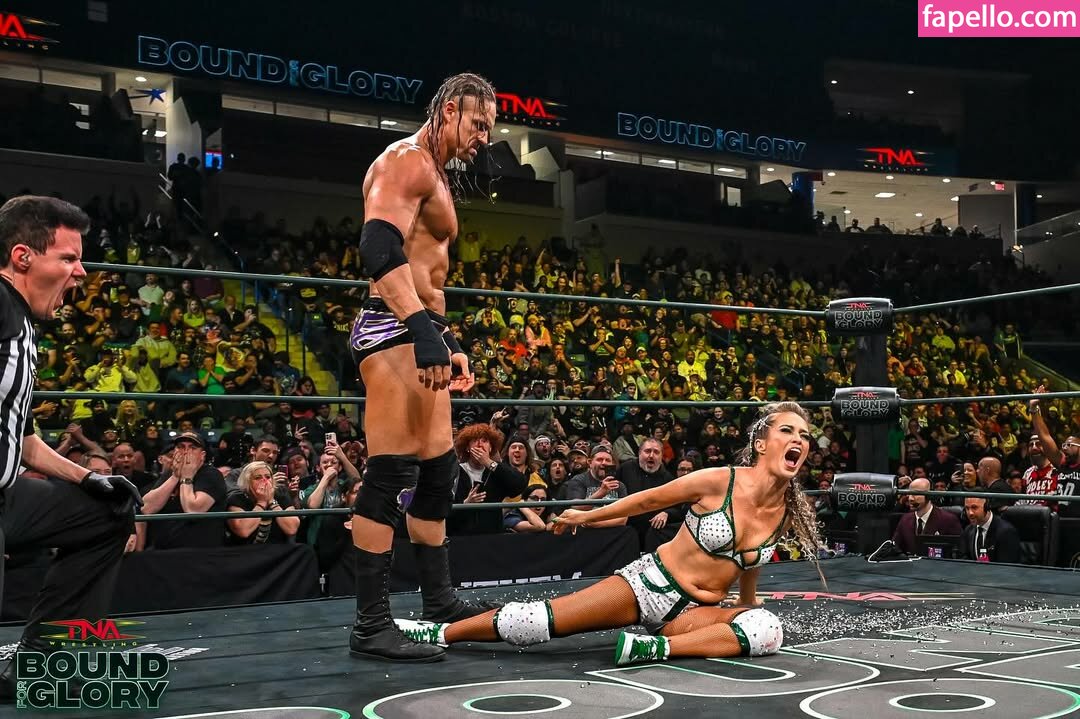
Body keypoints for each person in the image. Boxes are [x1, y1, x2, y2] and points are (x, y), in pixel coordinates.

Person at [396, 402, 821, 667]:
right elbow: (643, 501)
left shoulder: (787, 511)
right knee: (539, 621)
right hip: (651, 586)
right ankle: (440, 633)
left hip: (695, 613)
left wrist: (746, 603)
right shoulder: (718, 480)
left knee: (766, 630)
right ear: (761, 444)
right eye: (787, 431)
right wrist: (585, 516)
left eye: (804, 435)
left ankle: (651, 649)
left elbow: (749, 562)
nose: (798, 439)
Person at [347, 72, 498, 662]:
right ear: (450, 109)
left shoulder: (435, 172)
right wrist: (419, 329)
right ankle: (370, 625)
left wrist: (446, 336)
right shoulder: (405, 161)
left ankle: (438, 601)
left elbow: (426, 271)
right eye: (478, 124)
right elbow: (378, 248)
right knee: (390, 474)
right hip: (393, 328)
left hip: (420, 328)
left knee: (438, 473)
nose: (484, 138)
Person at [0, 196, 143, 702]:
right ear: (23, 257)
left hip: (8, 496)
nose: (81, 272)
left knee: (105, 513)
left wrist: (89, 478)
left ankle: (40, 662)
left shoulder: (23, 326)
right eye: (68, 258)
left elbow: (24, 439)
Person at [1029, 386, 1080, 518]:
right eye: (1064, 445)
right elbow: (1044, 436)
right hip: (1061, 519)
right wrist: (1034, 409)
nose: (1064, 448)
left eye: (1069, 445)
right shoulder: (1063, 463)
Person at [890, 477, 963, 555]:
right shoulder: (905, 520)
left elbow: (959, 551)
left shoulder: (948, 520)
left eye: (915, 494)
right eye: (909, 494)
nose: (910, 498)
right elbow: (895, 548)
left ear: (929, 496)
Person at [959, 497, 1020, 563]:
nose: (970, 513)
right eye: (967, 508)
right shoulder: (968, 530)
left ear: (987, 507)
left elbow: (1006, 566)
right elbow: (963, 559)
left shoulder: (1006, 532)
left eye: (974, 507)